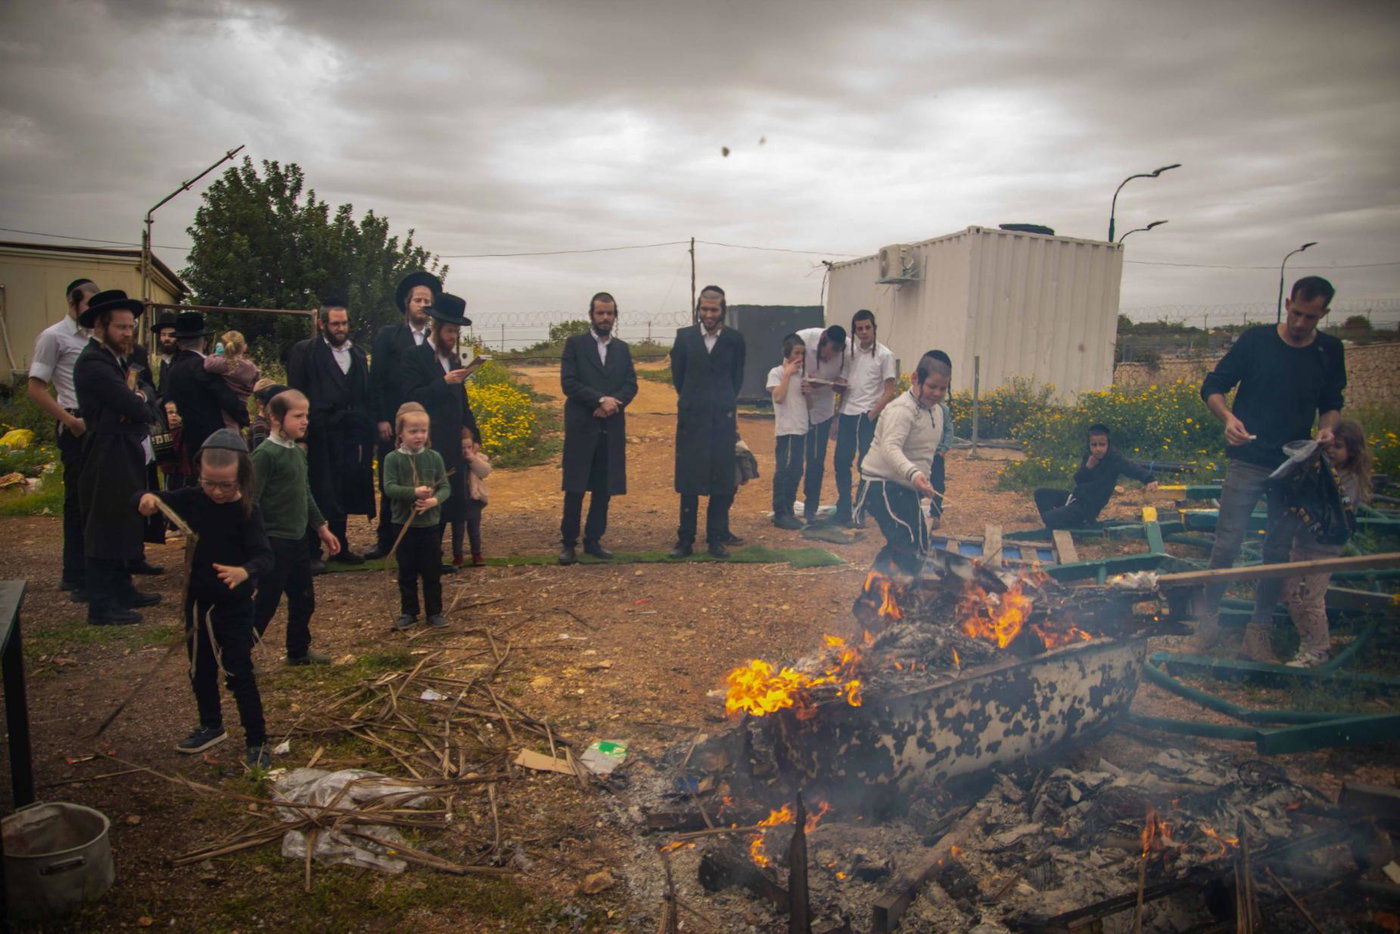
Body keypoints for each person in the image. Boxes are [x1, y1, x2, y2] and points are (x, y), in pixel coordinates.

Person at [1191, 276, 1347, 658]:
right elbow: (1212, 386)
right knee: (1226, 544)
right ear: (1288, 303)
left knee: (1276, 551)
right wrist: (1228, 418)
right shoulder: (1256, 341)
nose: (1300, 323)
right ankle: (1207, 618)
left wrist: (1327, 429)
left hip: (1294, 467)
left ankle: (1258, 631)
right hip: (1247, 459)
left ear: (1324, 314)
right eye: (1297, 313)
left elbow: (1331, 403)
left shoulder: (1329, 350)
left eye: (1310, 317)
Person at [136, 429, 274, 767]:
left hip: (235, 607)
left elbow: (265, 557)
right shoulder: (195, 498)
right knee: (200, 669)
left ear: (242, 478)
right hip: (198, 604)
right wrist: (146, 498)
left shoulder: (247, 512)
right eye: (209, 482)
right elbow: (153, 496)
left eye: (226, 484)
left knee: (239, 672)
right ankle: (211, 725)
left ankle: (257, 740)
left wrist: (244, 571)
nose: (217, 491)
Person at [71, 290, 162, 624]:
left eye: (130, 327)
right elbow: (132, 405)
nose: (127, 333)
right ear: (100, 326)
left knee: (125, 517)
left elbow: (148, 394)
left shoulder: (121, 358)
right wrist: (137, 402)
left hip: (125, 445)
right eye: (121, 327)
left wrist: (139, 400)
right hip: (106, 448)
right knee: (105, 522)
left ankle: (123, 589)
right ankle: (101, 604)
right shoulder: (93, 363)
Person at [251, 389, 341, 665]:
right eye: (298, 416)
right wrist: (255, 541)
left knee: (304, 598)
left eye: (307, 415)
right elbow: (252, 501)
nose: (305, 421)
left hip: (298, 539)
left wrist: (321, 527)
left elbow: (305, 493)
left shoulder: (297, 453)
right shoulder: (265, 455)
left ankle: (298, 651)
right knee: (266, 602)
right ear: (276, 418)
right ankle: (238, 655)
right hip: (274, 541)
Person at [288, 301, 376, 563]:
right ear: (322, 324)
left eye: (344, 323)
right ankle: (311, 551)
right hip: (318, 432)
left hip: (350, 433)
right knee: (317, 488)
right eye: (335, 324)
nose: (340, 328)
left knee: (343, 489)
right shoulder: (305, 352)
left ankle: (340, 548)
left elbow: (364, 395)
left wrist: (367, 433)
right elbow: (296, 394)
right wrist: (301, 437)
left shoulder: (357, 354)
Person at [28, 278, 99, 595]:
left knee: (97, 499)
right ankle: (75, 573)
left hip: (98, 423)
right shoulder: (54, 336)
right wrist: (69, 420)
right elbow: (36, 388)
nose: (93, 313)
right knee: (78, 500)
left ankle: (96, 570)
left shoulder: (94, 337)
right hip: (74, 423)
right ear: (73, 303)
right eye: (88, 306)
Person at [1280, 419, 1370, 668]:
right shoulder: (1320, 469)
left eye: (1338, 447)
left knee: (1313, 598)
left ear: (1352, 450)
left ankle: (1319, 650)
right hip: (1302, 540)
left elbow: (1336, 509)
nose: (1331, 451)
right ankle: (1307, 640)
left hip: (1325, 548)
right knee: (1288, 591)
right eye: (1328, 446)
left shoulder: (1349, 479)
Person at [402, 293, 481, 570]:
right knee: (429, 502)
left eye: (456, 332)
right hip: (429, 443)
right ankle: (424, 560)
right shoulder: (414, 356)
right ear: (435, 328)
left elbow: (463, 402)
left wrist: (473, 434)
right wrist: (443, 382)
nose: (453, 337)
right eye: (449, 331)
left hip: (452, 444)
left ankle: (434, 559)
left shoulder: (454, 360)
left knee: (449, 502)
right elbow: (411, 397)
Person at [558, 292, 638, 564]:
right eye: (600, 313)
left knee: (603, 488)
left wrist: (614, 404)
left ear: (615, 316)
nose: (605, 318)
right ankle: (569, 543)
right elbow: (569, 383)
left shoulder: (622, 349)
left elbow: (631, 384)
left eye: (609, 313)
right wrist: (599, 400)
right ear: (591, 315)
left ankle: (593, 540)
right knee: (576, 487)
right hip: (582, 426)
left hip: (611, 427)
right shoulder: (575, 345)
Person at [367, 271, 442, 560]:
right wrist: (381, 418)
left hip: (425, 422)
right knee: (393, 480)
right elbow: (376, 379)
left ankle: (425, 541)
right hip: (395, 419)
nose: (422, 305)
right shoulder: (389, 336)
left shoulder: (435, 339)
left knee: (426, 478)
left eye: (427, 301)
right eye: (418, 300)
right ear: (407, 304)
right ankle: (386, 540)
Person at [857, 352, 950, 578]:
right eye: (932, 386)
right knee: (906, 543)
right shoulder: (901, 409)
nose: (937, 393)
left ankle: (892, 592)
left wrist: (922, 477)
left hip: (905, 487)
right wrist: (914, 474)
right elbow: (890, 448)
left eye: (943, 388)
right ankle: (876, 594)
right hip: (881, 485)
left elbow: (924, 452)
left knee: (919, 545)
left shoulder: (938, 411)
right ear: (915, 379)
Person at [669, 285, 746, 558]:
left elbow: (736, 380)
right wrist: (695, 401)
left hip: (722, 421)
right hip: (692, 421)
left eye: (714, 309)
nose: (709, 314)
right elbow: (679, 377)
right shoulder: (685, 337)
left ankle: (715, 539)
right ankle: (685, 540)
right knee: (689, 480)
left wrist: (720, 404)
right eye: (704, 309)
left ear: (722, 310)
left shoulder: (735, 340)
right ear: (698, 309)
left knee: (721, 481)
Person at [382, 404, 451, 630]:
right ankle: (409, 612)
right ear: (400, 433)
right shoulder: (392, 459)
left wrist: (433, 501)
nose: (419, 436)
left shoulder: (434, 457)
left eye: (423, 431)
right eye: (413, 431)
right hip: (403, 524)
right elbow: (389, 488)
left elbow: (445, 487)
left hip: (430, 525)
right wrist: (413, 492)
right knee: (407, 571)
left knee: (432, 571)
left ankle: (435, 612)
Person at [833, 310, 896, 526]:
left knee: (865, 465)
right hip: (847, 413)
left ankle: (860, 509)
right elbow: (843, 385)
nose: (864, 332)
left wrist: (872, 414)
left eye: (867, 327)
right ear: (855, 331)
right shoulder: (849, 353)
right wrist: (837, 413)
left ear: (874, 328)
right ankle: (843, 507)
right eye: (859, 328)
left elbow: (890, 390)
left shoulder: (884, 355)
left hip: (866, 415)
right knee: (841, 462)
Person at [1033, 425, 1159, 530]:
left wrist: (1149, 479)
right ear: (1089, 445)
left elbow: (1131, 468)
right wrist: (1087, 467)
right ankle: (1058, 524)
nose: (1098, 449)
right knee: (1041, 493)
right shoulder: (1089, 457)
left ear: (1108, 445)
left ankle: (1073, 523)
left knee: (1048, 517)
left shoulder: (1114, 459)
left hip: (1087, 508)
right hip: (1076, 499)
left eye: (1102, 445)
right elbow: (1079, 480)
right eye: (1094, 445)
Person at [164, 312, 249, 454]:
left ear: (178, 343)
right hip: (213, 439)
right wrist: (243, 416)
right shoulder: (204, 366)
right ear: (204, 341)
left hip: (187, 439)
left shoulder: (173, 369)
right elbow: (223, 395)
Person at [795, 325, 848, 525]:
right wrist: (804, 383)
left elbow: (846, 383)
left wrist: (837, 414)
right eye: (828, 351)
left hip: (823, 410)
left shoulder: (848, 350)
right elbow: (786, 368)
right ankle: (783, 509)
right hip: (798, 407)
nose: (829, 357)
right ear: (822, 340)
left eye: (835, 353)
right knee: (793, 460)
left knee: (816, 460)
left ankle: (811, 508)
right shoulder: (802, 339)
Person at [767, 333, 808, 530]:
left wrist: (808, 392)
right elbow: (779, 397)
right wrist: (787, 374)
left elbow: (808, 404)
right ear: (787, 353)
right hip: (787, 430)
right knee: (784, 469)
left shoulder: (802, 374)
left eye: (802, 353)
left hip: (801, 427)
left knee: (797, 470)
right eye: (796, 353)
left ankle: (789, 509)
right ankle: (780, 512)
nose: (800, 357)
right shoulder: (776, 372)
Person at [204, 330, 259, 433]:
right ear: (244, 347)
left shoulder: (223, 363)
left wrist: (217, 354)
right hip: (241, 404)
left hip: (224, 404)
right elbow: (255, 382)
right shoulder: (251, 367)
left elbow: (207, 364)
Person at [926, 350, 954, 530]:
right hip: (921, 454)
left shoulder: (943, 410)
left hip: (936, 454)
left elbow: (949, 430)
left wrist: (943, 449)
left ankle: (935, 514)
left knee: (938, 485)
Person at [463, 428, 491, 567]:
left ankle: (476, 553)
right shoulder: (453, 461)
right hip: (459, 497)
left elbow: (485, 471)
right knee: (458, 529)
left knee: (474, 528)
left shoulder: (478, 458)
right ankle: (458, 555)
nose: (466, 451)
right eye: (463, 448)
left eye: (469, 447)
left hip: (475, 497)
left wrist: (473, 460)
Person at [152, 312, 179, 395]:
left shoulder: (183, 359)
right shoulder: (165, 359)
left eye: (171, 335)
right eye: (163, 334)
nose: (167, 338)